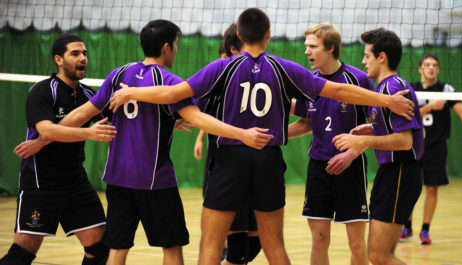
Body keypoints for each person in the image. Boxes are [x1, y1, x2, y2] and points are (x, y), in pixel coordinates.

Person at [107, 8, 416, 265]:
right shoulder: (285, 68)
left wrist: (133, 90)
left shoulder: (223, 67)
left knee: (211, 247)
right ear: (269, 34)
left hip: (230, 159)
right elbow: (337, 89)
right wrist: (386, 100)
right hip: (268, 158)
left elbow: (172, 93)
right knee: (274, 247)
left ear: (239, 36)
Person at [11, 20, 273, 265]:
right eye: (176, 46)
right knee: (171, 247)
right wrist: (243, 134)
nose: (176, 51)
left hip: (117, 179)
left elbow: (80, 115)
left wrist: (41, 140)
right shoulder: (170, 82)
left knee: (116, 248)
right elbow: (200, 119)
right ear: (166, 47)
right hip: (154, 179)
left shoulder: (118, 75)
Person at [2, 34, 114, 265]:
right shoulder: (42, 91)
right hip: (41, 180)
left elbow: (120, 123)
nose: (82, 58)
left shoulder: (89, 95)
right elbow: (49, 131)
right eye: (75, 53)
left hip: (75, 179)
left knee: (99, 248)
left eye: (84, 53)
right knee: (22, 254)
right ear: (58, 60)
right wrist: (89, 133)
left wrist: (171, 120)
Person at [332, 28, 425, 265]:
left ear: (381, 57)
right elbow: (406, 131)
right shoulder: (384, 90)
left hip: (401, 172)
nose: (363, 61)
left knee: (378, 256)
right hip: (391, 173)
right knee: (378, 254)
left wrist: (363, 141)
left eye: (367, 55)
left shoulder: (393, 88)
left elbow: (406, 141)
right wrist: (374, 129)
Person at [287, 23, 372, 265]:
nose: (307, 52)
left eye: (313, 47)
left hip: (351, 168)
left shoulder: (359, 80)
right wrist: (276, 136)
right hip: (319, 168)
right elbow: (306, 123)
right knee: (319, 238)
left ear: (331, 48)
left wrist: (352, 153)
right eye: (306, 46)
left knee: (356, 245)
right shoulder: (308, 83)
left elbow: (378, 127)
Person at [193, 23, 262, 265]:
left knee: (254, 243)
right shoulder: (216, 79)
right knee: (234, 242)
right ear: (233, 51)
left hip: (257, 170)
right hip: (225, 167)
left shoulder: (264, 75)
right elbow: (192, 107)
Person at [399, 53, 462, 245]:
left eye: (434, 65)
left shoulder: (445, 89)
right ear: (420, 68)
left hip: (436, 147)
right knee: (409, 187)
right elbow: (409, 115)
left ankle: (425, 230)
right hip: (414, 145)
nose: (431, 68)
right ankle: (406, 226)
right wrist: (431, 107)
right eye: (427, 65)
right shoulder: (412, 89)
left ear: (438, 69)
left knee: (432, 188)